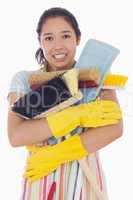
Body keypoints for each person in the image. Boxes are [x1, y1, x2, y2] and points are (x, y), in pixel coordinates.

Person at [7, 7, 123, 199]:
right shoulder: (25, 80)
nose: (58, 45)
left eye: (66, 36)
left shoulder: (97, 74)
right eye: (49, 38)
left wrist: (59, 153)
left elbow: (114, 128)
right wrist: (75, 115)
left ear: (77, 39)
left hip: (86, 180)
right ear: (40, 42)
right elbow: (17, 136)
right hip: (41, 177)